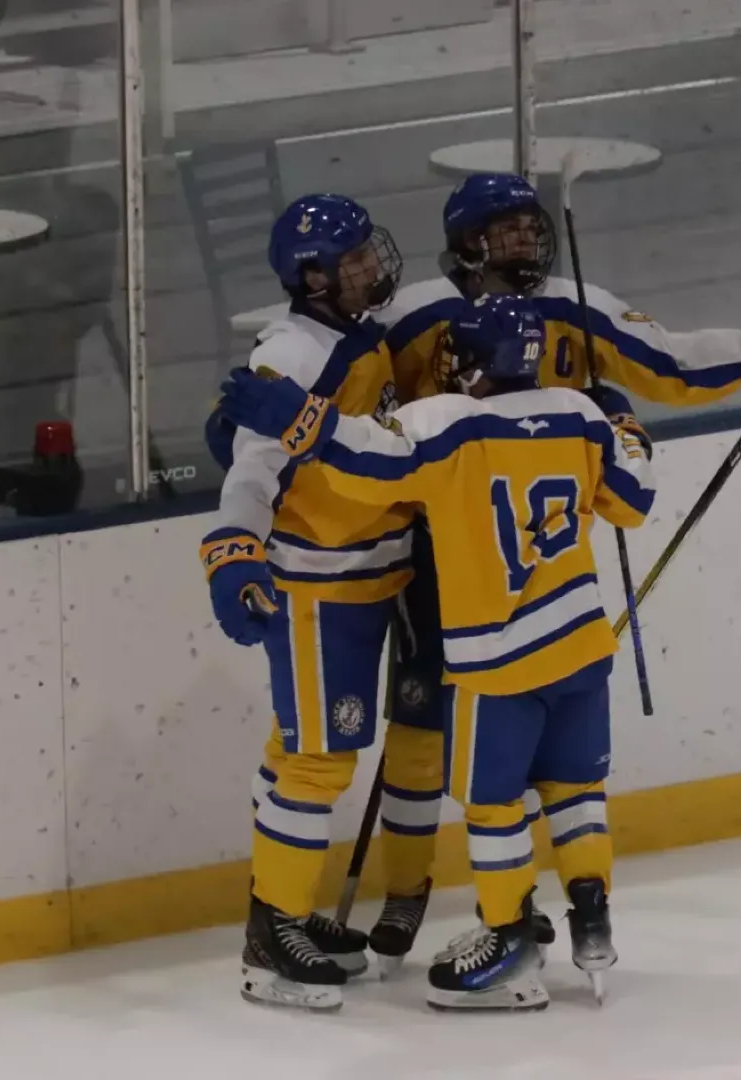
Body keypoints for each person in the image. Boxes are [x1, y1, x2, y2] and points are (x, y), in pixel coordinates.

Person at [360, 172, 741, 971]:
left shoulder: (571, 303)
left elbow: (667, 361)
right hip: (439, 550)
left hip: (543, 558)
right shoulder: (413, 314)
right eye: (507, 227)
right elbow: (358, 391)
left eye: (530, 225)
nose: (527, 239)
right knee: (418, 730)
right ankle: (407, 890)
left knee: (531, 751)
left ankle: (523, 911)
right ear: (468, 240)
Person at [215, 294, 654, 1011]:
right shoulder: (581, 415)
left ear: (474, 362)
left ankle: (509, 943)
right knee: (575, 790)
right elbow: (634, 498)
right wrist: (626, 425)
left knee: (492, 804)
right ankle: (591, 918)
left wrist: (295, 421)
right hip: (580, 646)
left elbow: (363, 464)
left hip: (499, 662)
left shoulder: (443, 423)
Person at [199, 192, 410, 1012]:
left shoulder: (355, 335)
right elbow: (251, 473)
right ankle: (272, 940)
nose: (369, 266)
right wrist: (234, 551)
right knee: (320, 760)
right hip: (322, 586)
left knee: (298, 749)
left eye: (368, 252)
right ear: (312, 277)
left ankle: (280, 910)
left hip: (367, 576)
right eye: (352, 259)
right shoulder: (290, 351)